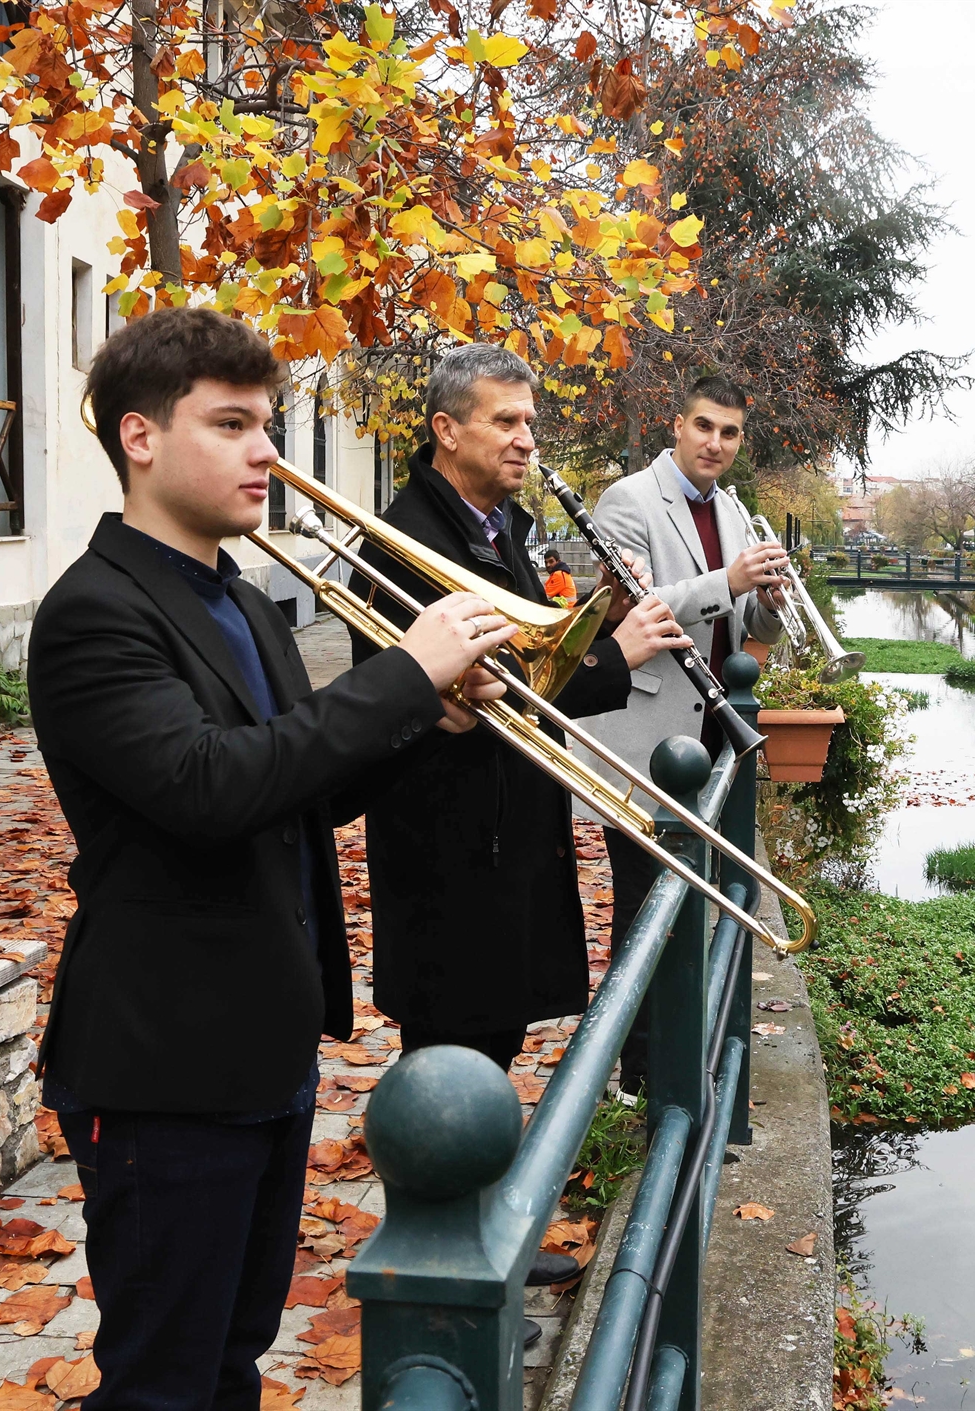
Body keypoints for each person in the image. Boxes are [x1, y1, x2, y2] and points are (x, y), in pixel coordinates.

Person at [27, 306, 516, 1411]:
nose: (266, 453)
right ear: (140, 438)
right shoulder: (93, 611)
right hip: (164, 1061)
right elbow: (208, 788)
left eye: (271, 424)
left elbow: (297, 791)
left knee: (234, 1355)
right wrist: (402, 673)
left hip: (262, 1043)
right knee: (163, 1378)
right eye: (235, 424)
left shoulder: (243, 596)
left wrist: (422, 720)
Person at [348, 342, 691, 1322]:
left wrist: (592, 615)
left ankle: (488, 1228)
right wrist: (616, 655)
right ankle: (444, 1251)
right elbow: (497, 693)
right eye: (505, 422)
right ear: (445, 430)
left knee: (488, 1043)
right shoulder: (409, 537)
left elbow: (530, 660)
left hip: (506, 828)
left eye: (530, 423)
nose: (525, 439)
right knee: (450, 1045)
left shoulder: (499, 525)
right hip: (449, 841)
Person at [577, 374, 788, 1087]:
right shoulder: (627, 500)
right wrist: (729, 579)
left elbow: (744, 624)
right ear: (676, 424)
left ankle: (673, 1058)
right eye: (705, 427)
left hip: (711, 738)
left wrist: (768, 598)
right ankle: (639, 1078)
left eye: (730, 433)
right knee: (644, 913)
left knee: (687, 905)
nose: (717, 444)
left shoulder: (731, 506)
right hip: (649, 740)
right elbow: (630, 607)